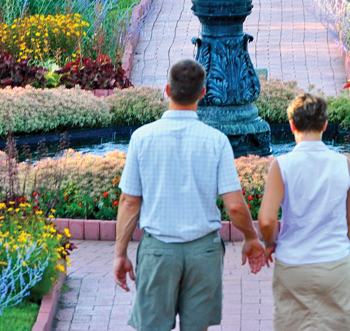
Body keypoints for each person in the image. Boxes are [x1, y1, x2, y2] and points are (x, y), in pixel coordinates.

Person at [114, 59, 267, 331]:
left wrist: (120, 253)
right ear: (203, 93)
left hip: (158, 250)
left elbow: (129, 201)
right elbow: (233, 205)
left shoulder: (142, 138)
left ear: (167, 90)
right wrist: (251, 237)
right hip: (203, 252)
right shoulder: (216, 140)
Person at [258, 93, 350, 331]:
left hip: (293, 265)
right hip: (335, 263)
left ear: (292, 124)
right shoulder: (343, 164)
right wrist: (346, 251)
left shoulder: (281, 166)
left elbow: (266, 219)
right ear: (325, 124)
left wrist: (271, 241)